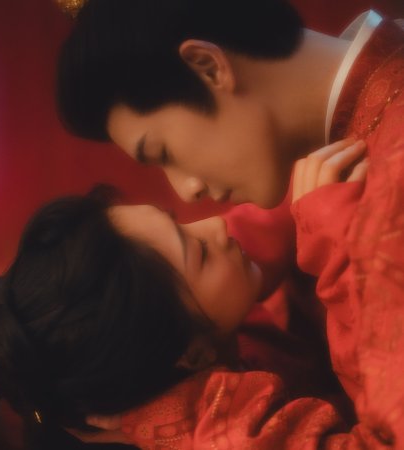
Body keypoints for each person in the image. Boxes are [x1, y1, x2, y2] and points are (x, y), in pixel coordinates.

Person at [56, 0, 404, 446]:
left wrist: (197, 415)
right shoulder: (352, 161)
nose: (187, 190)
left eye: (163, 153)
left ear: (207, 67)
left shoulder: (385, 187)